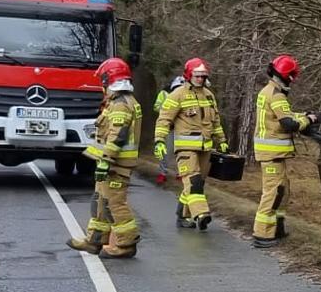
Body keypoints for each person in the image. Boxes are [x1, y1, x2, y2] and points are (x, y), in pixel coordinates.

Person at [67, 58, 143, 258]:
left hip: (116, 164)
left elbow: (118, 136)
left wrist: (105, 161)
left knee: (114, 204)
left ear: (109, 79)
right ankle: (94, 241)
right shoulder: (119, 102)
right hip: (111, 163)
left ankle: (126, 245)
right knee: (100, 201)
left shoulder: (121, 105)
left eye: (103, 80)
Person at [251, 54, 318, 249]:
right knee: (273, 193)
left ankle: (277, 228)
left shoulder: (268, 91)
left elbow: (282, 115)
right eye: (292, 76)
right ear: (287, 75)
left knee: (283, 191)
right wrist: (309, 120)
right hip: (272, 155)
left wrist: (304, 115)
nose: (293, 81)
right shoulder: (277, 95)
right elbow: (289, 124)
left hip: (272, 155)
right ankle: (262, 234)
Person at [154, 58, 227, 230]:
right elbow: (164, 119)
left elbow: (216, 121)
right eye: (197, 76)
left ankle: (182, 215)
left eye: (203, 76)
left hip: (205, 148)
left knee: (197, 183)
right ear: (188, 75)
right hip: (185, 149)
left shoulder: (209, 95)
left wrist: (222, 140)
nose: (200, 79)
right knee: (193, 181)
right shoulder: (177, 95)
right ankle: (201, 214)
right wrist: (159, 140)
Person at [153, 75, 184, 185]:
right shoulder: (164, 94)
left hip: (181, 128)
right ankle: (163, 173)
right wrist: (167, 110)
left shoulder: (187, 96)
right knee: (165, 151)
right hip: (168, 127)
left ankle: (181, 173)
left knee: (182, 152)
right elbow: (156, 107)